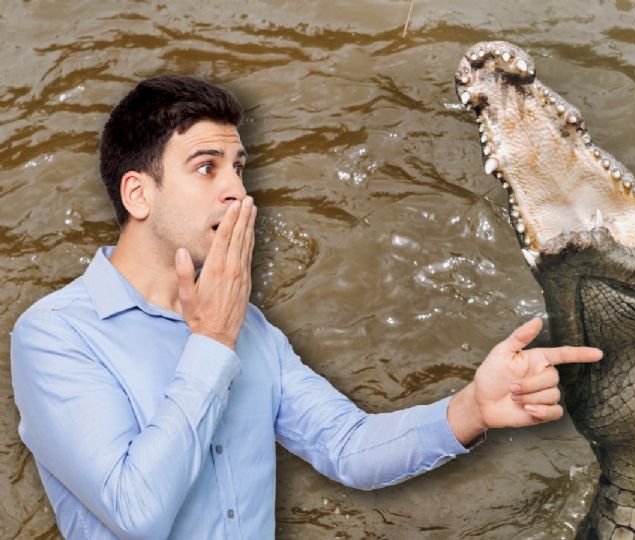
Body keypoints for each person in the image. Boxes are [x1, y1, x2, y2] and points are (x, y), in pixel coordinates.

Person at [9, 75, 603, 539]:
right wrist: (212, 342)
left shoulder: (252, 330)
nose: (236, 190)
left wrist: (472, 407)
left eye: (238, 168)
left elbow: (346, 447)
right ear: (138, 193)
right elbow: (136, 512)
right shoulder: (57, 335)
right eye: (205, 168)